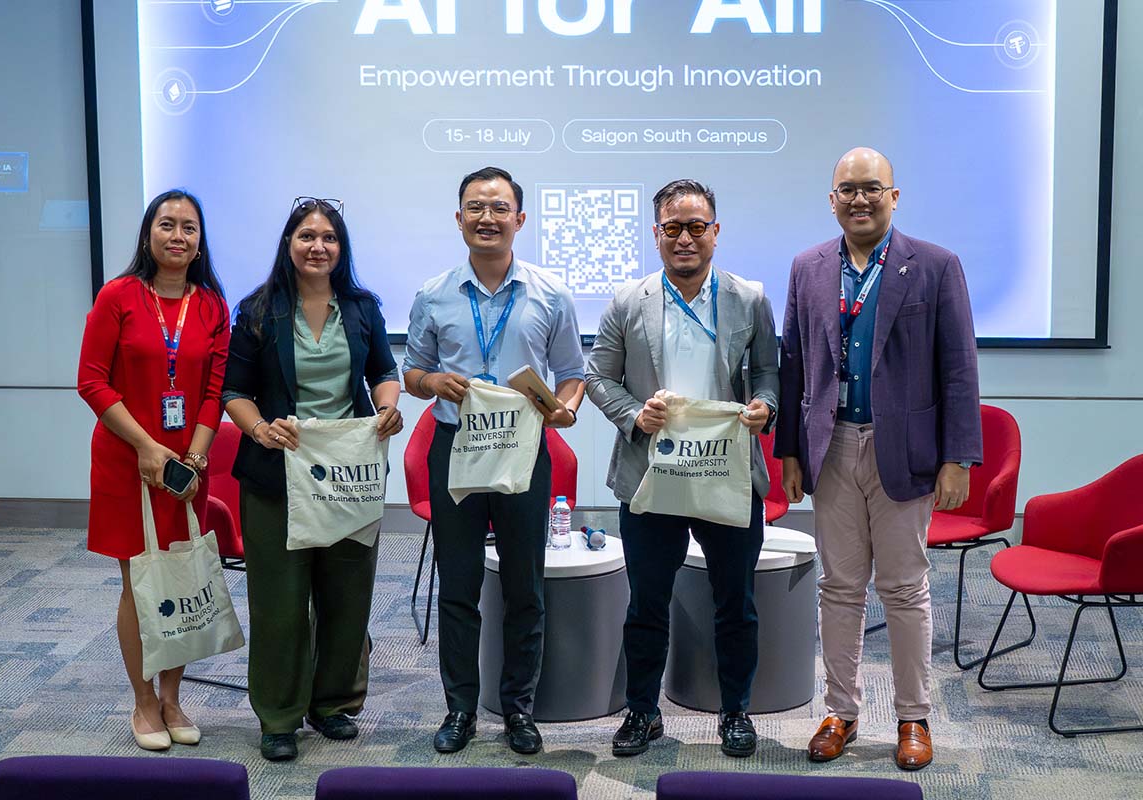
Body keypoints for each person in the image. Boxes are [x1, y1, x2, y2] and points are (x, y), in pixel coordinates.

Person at [775, 147, 982, 771]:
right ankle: (840, 710)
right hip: (830, 446)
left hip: (907, 453)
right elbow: (792, 367)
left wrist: (958, 459)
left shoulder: (936, 266)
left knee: (904, 589)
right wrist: (788, 450)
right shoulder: (808, 266)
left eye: (872, 188)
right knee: (838, 588)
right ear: (831, 198)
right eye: (847, 189)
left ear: (894, 196)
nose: (859, 199)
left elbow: (959, 369)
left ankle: (913, 718)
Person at [585, 179, 779, 758]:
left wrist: (765, 407)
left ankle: (735, 712)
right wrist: (631, 415)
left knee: (735, 601)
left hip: (725, 473)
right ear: (656, 235)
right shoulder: (628, 301)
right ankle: (644, 712)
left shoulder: (749, 299)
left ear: (715, 232)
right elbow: (598, 377)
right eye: (673, 228)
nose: (686, 238)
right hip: (651, 474)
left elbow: (769, 372)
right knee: (646, 602)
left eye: (697, 227)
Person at [403, 166, 585, 755]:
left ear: (520, 220)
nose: (487, 217)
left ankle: (518, 710)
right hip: (455, 448)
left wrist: (565, 409)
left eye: (499, 208)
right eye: (475, 208)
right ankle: (460, 709)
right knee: (458, 587)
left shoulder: (550, 293)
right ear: (459, 219)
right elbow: (411, 374)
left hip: (523, 452)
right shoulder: (433, 293)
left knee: (524, 587)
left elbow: (574, 374)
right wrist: (433, 379)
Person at [222, 197, 403, 762]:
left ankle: (334, 705)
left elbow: (384, 372)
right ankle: (279, 716)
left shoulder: (363, 307)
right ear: (288, 244)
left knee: (347, 591)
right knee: (279, 599)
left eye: (328, 238)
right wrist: (257, 430)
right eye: (306, 236)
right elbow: (234, 391)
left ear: (341, 248)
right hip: (277, 473)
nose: (317, 246)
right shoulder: (258, 310)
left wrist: (388, 408)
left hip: (348, 469)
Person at [77, 190, 230, 751]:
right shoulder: (118, 295)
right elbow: (91, 380)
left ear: (199, 242)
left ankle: (172, 697)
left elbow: (216, 391)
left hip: (186, 465)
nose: (177, 236)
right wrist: (145, 446)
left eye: (189, 228)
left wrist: (194, 454)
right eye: (167, 225)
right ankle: (142, 702)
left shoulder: (211, 305)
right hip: (126, 459)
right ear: (148, 235)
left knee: (181, 578)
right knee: (139, 584)